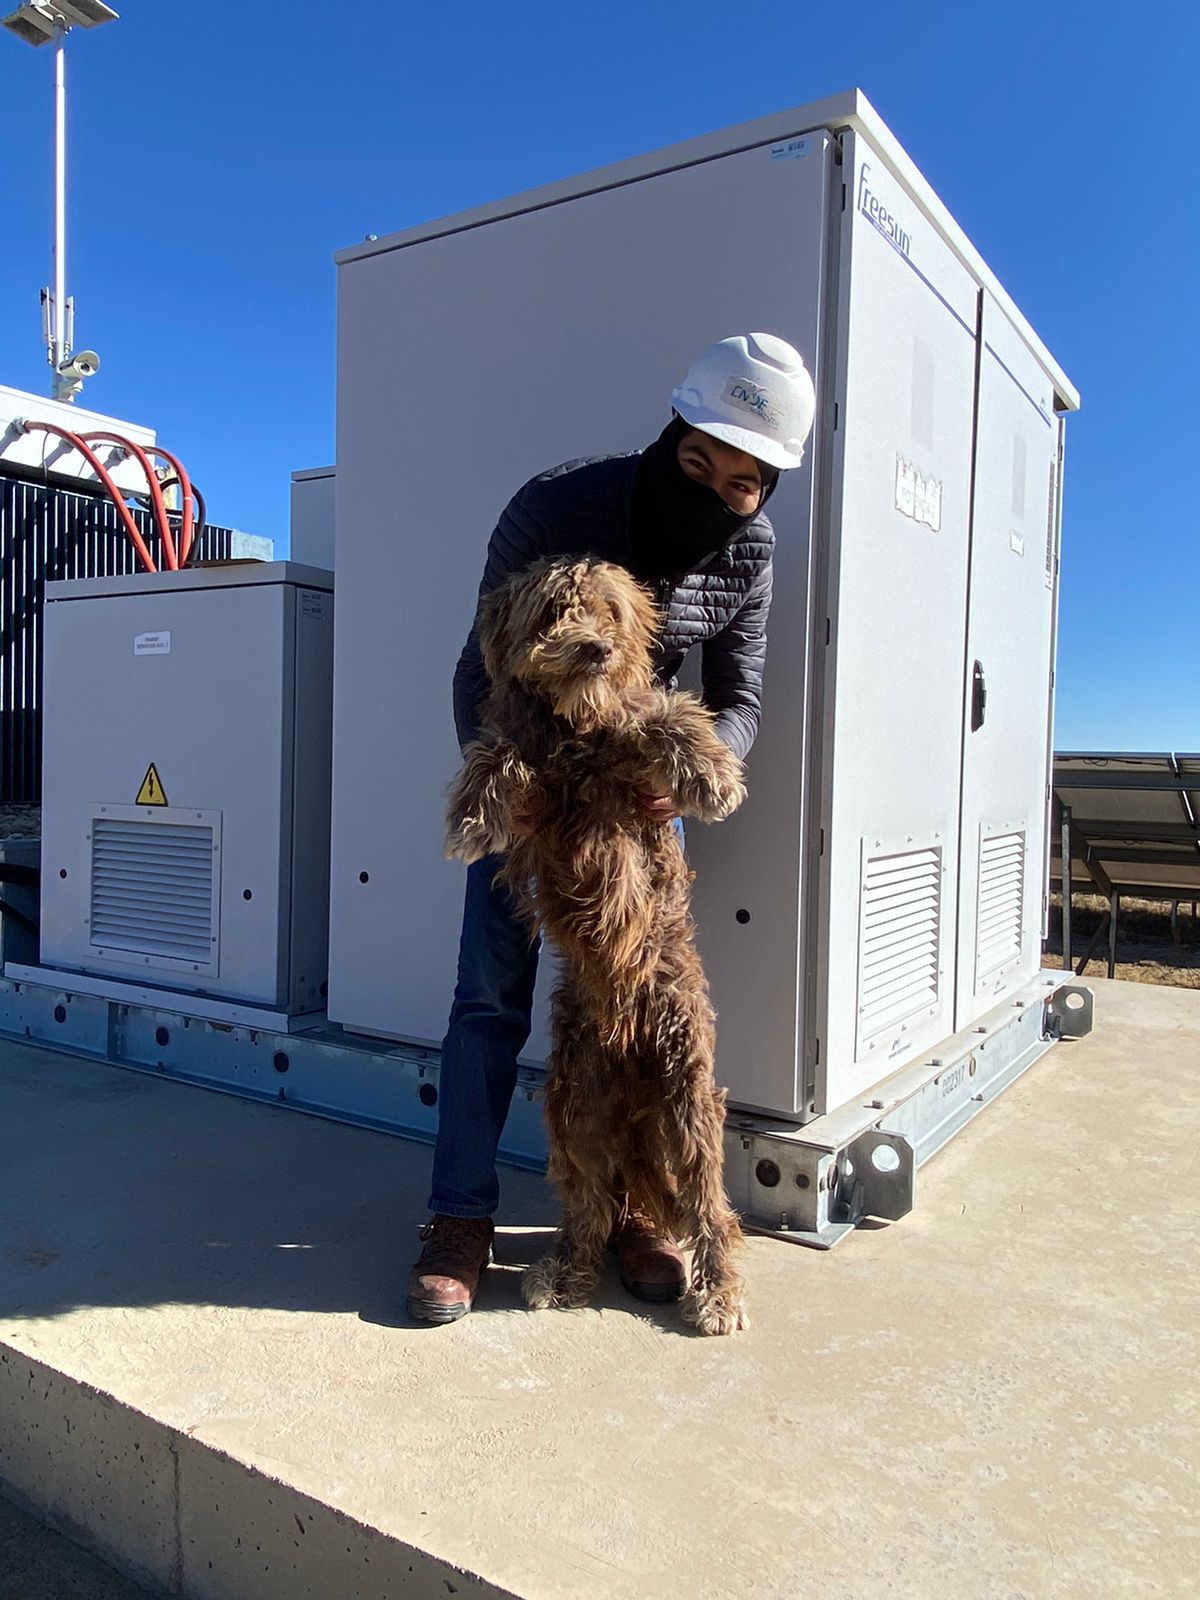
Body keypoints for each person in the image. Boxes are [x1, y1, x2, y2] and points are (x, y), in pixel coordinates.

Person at [407, 333, 817, 1323]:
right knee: (490, 996)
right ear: (671, 432)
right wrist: (512, 789)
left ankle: (636, 1212)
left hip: (638, 799)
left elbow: (741, 697)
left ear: (764, 490)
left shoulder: (749, 553)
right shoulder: (554, 509)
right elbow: (480, 668)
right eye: (699, 462)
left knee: (642, 1015)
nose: (719, 490)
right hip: (533, 775)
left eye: (746, 481)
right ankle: (460, 1218)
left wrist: (690, 782)